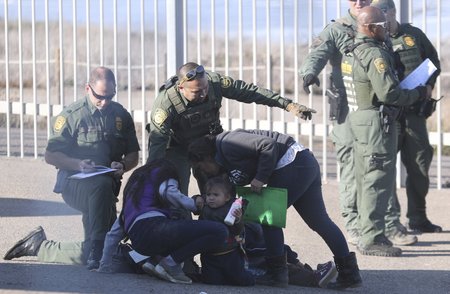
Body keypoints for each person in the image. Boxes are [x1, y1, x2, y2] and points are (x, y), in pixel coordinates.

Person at [299, 0, 417, 247]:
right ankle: (355, 226)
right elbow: (318, 53)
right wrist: (308, 72)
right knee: (354, 170)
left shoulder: (378, 21)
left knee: (380, 170)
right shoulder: (338, 28)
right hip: (347, 111)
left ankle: (388, 225)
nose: (359, 2)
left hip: (375, 109)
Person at [187, 129, 362, 289]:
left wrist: (261, 178)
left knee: (268, 217)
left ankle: (277, 274)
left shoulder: (227, 142)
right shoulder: (223, 162)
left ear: (206, 157)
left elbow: (267, 145)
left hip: (293, 162)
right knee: (319, 221)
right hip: (303, 164)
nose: (204, 172)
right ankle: (349, 274)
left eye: (201, 167)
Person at [3, 66, 140, 270]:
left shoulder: (121, 115)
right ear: (88, 89)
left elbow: (133, 156)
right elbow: (50, 155)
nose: (105, 102)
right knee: (103, 238)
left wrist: (122, 165)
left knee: (104, 249)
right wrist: (78, 165)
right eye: (100, 97)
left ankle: (39, 246)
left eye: (110, 96)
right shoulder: (72, 116)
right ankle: (96, 250)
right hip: (75, 185)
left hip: (107, 191)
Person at [341, 6, 432, 257]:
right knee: (376, 181)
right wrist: (416, 93)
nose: (387, 30)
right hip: (376, 127)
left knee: (365, 178)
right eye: (382, 26)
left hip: (360, 123)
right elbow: (389, 93)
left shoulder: (352, 50)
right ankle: (372, 238)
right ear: (370, 28)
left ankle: (367, 231)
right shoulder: (373, 55)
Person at [147, 62, 316, 196]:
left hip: (209, 146)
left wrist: (286, 104)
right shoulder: (165, 105)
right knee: (175, 191)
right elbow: (157, 144)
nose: (203, 94)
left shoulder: (214, 83)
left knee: (220, 191)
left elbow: (249, 92)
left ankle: (224, 233)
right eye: (197, 92)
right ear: (181, 88)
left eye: (205, 88)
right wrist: (151, 178)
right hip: (179, 149)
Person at [371, 0, 442, 234]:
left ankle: (418, 218)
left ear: (392, 11)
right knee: (386, 169)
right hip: (387, 115)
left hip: (413, 114)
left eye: (383, 11)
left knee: (420, 165)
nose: (379, 17)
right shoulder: (372, 37)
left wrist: (429, 85)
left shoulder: (413, 35)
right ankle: (392, 223)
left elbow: (433, 61)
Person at [120, 158, 229, 284]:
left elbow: (114, 232)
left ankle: (154, 261)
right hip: (154, 228)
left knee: (176, 223)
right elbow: (169, 193)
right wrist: (194, 205)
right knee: (220, 231)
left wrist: (104, 264)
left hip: (140, 243)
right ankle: (169, 264)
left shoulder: (133, 194)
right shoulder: (162, 174)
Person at [193, 176, 255, 286]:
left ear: (226, 197)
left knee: (241, 280)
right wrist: (196, 199)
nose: (211, 198)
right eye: (208, 195)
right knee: (212, 281)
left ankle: (251, 276)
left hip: (229, 254)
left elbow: (237, 231)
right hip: (209, 255)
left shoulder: (231, 210)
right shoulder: (205, 207)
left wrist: (238, 220)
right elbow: (194, 202)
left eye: (216, 195)